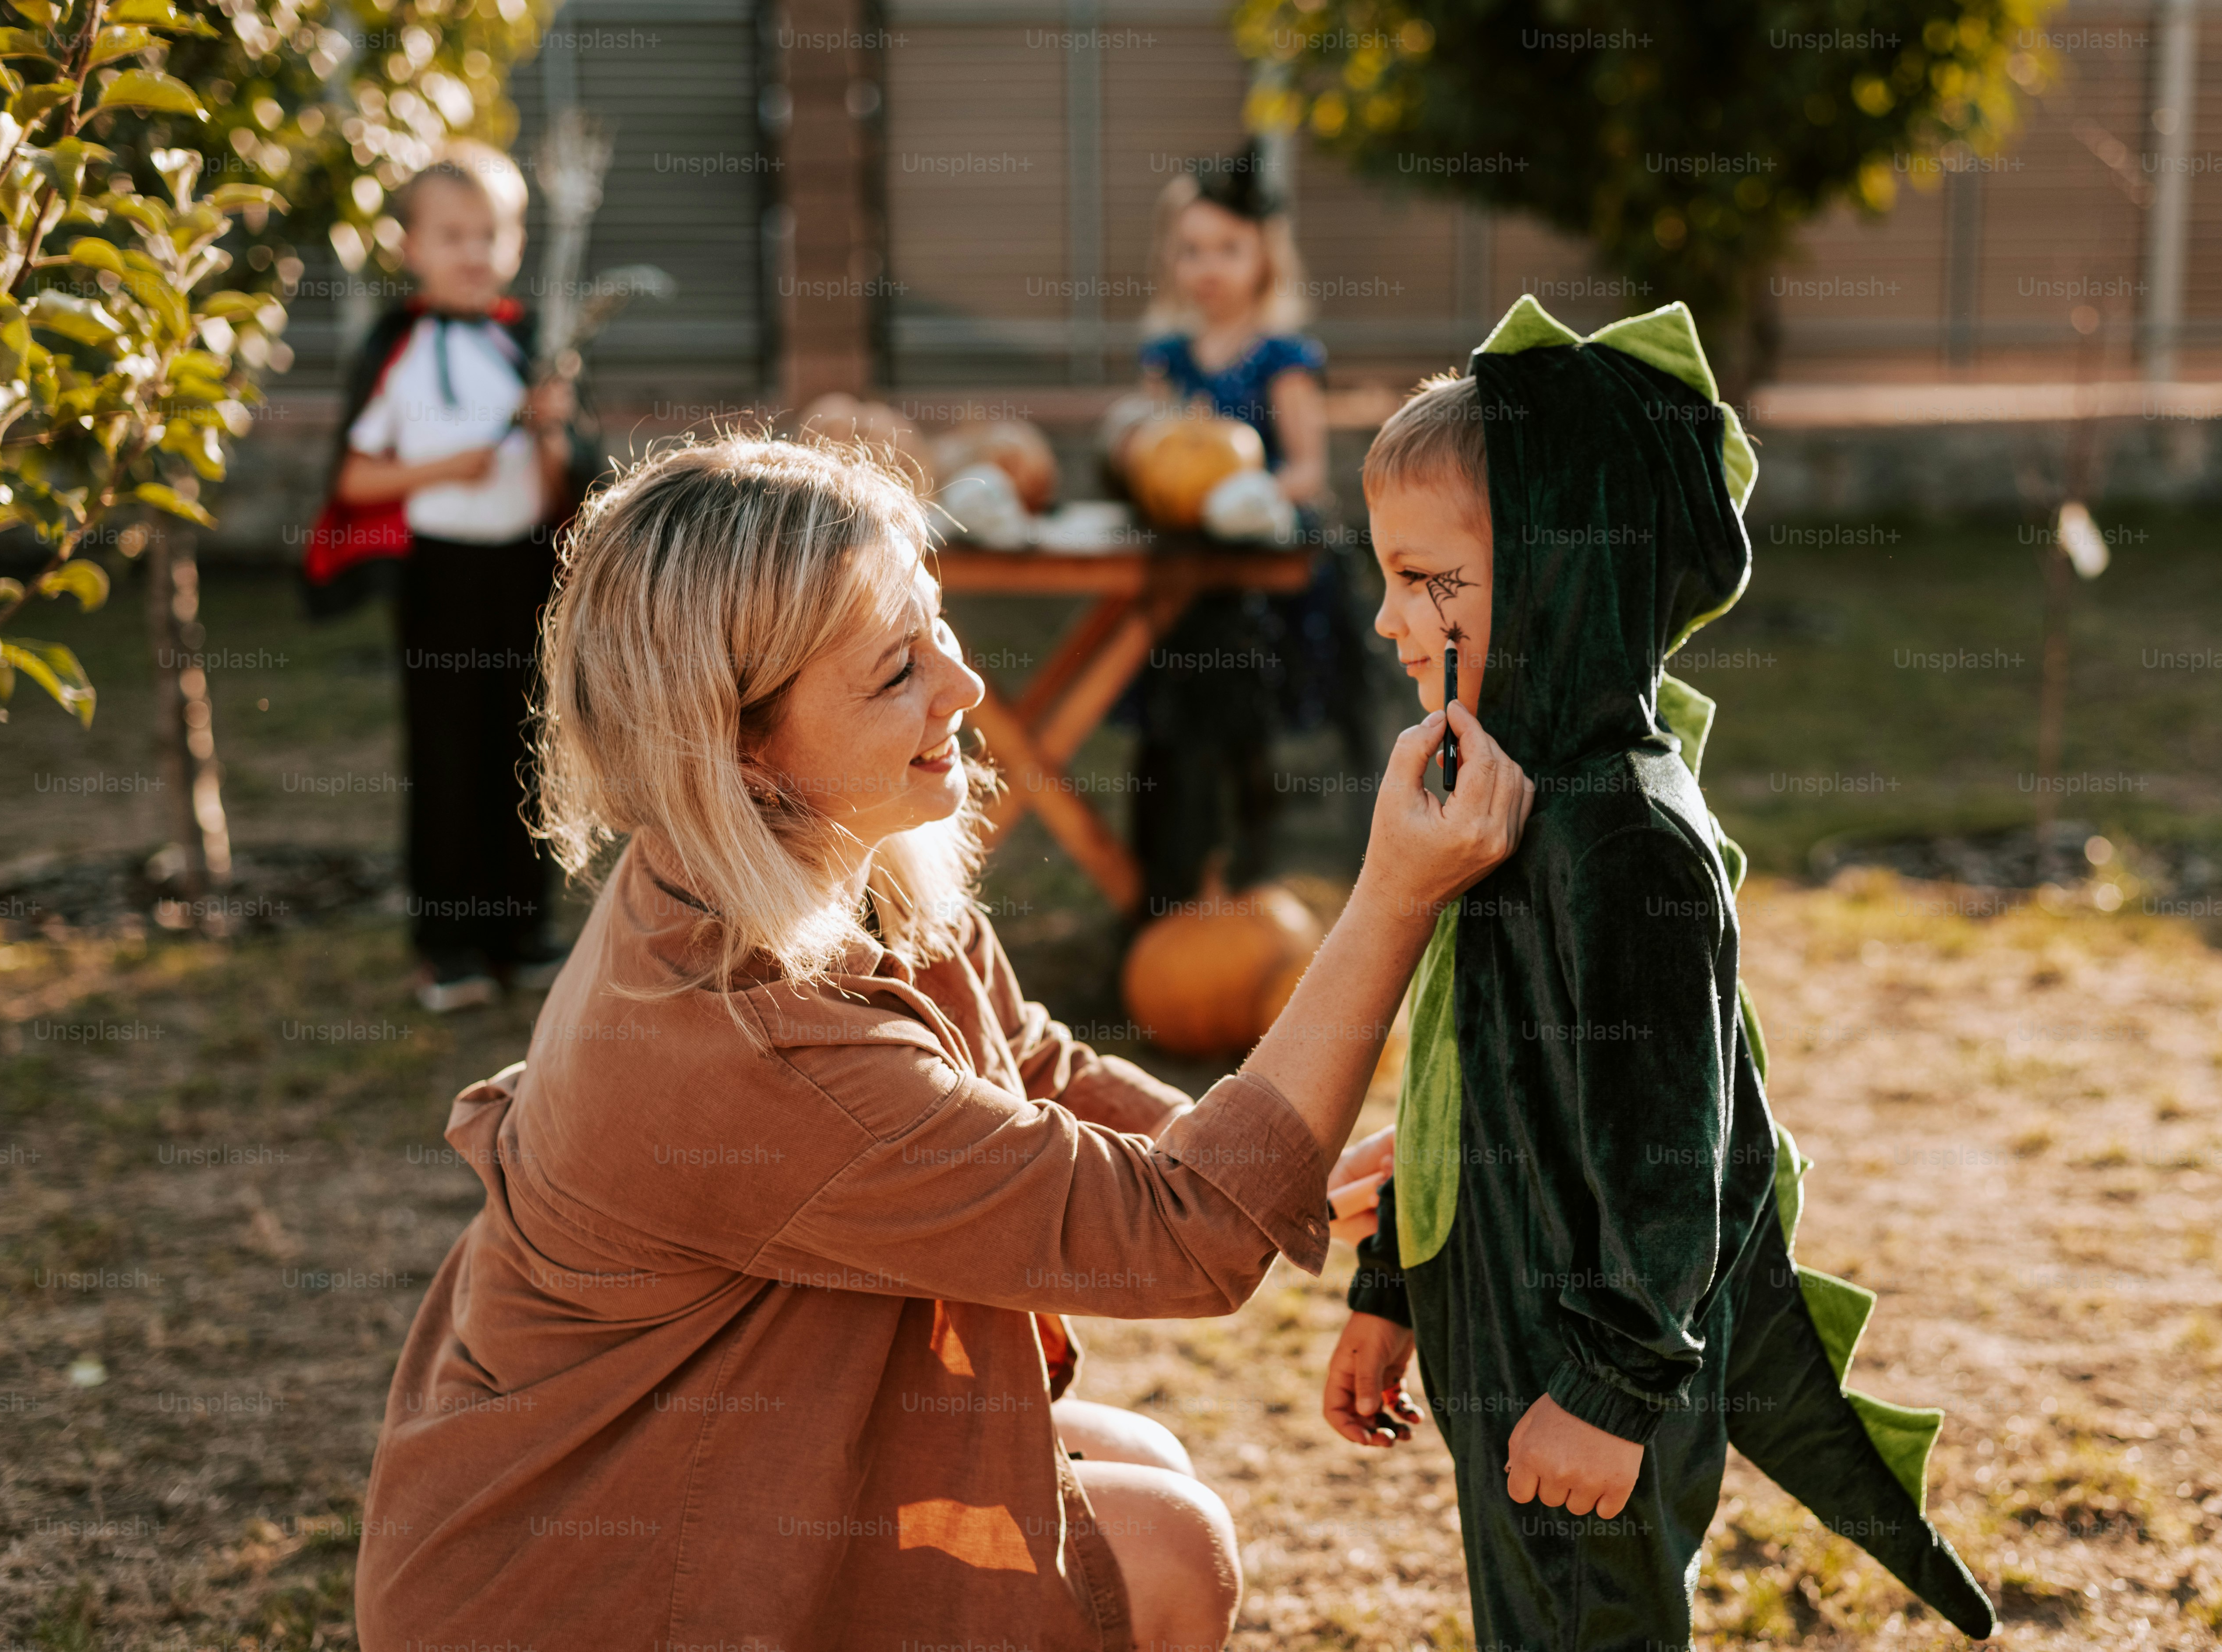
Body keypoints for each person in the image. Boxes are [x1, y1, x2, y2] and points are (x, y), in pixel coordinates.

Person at [350, 435, 1536, 1651]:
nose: (962, 687)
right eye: (892, 672)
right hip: (569, 1574)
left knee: (1142, 1458)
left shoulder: (813, 862)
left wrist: (1238, 1146)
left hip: (707, 1445)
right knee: (1173, 1553)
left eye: (936, 625)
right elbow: (1188, 1241)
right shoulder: (747, 1033)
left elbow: (1023, 1063)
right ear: (739, 747)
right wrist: (1393, 894)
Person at [1320, 295, 1997, 1650]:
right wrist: (1391, 1287)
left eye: (1430, 578)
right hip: (1494, 1334)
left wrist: (1615, 1385)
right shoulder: (1494, 789)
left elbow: (1670, 1151)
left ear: (1561, 571)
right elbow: (1467, 1058)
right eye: (1385, 573)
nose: (1392, 616)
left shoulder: (1621, 837)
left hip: (1584, 1366)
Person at [312, 141, 591, 1011]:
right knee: (447, 755)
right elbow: (355, 481)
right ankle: (449, 943)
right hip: (439, 582)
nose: (472, 252)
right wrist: (443, 470)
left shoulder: (526, 348)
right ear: (412, 247)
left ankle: (523, 930)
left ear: (514, 245)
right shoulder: (396, 351)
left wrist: (551, 432)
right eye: (451, 234)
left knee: (530, 751)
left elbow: (562, 494)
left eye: (490, 234)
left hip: (524, 576)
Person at [1123, 149, 1374, 911]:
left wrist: (1246, 493)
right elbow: (1154, 454)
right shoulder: (1167, 358)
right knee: (1183, 715)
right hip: (1188, 566)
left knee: (1251, 711)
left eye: (1227, 249)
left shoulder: (1283, 357)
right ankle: (1175, 878)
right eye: (1192, 249)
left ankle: (1257, 863)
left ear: (1265, 256)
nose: (1209, 267)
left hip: (1262, 568)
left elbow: (1306, 469)